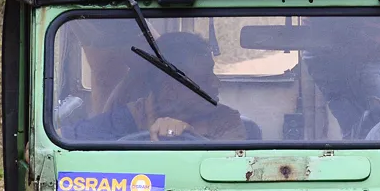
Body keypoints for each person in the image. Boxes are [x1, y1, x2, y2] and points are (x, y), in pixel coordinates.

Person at [66, 32, 259, 142]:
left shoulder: (226, 121)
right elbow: (63, 142)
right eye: (205, 79)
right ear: (170, 92)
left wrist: (189, 136)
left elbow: (229, 171)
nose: (217, 83)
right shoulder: (128, 117)